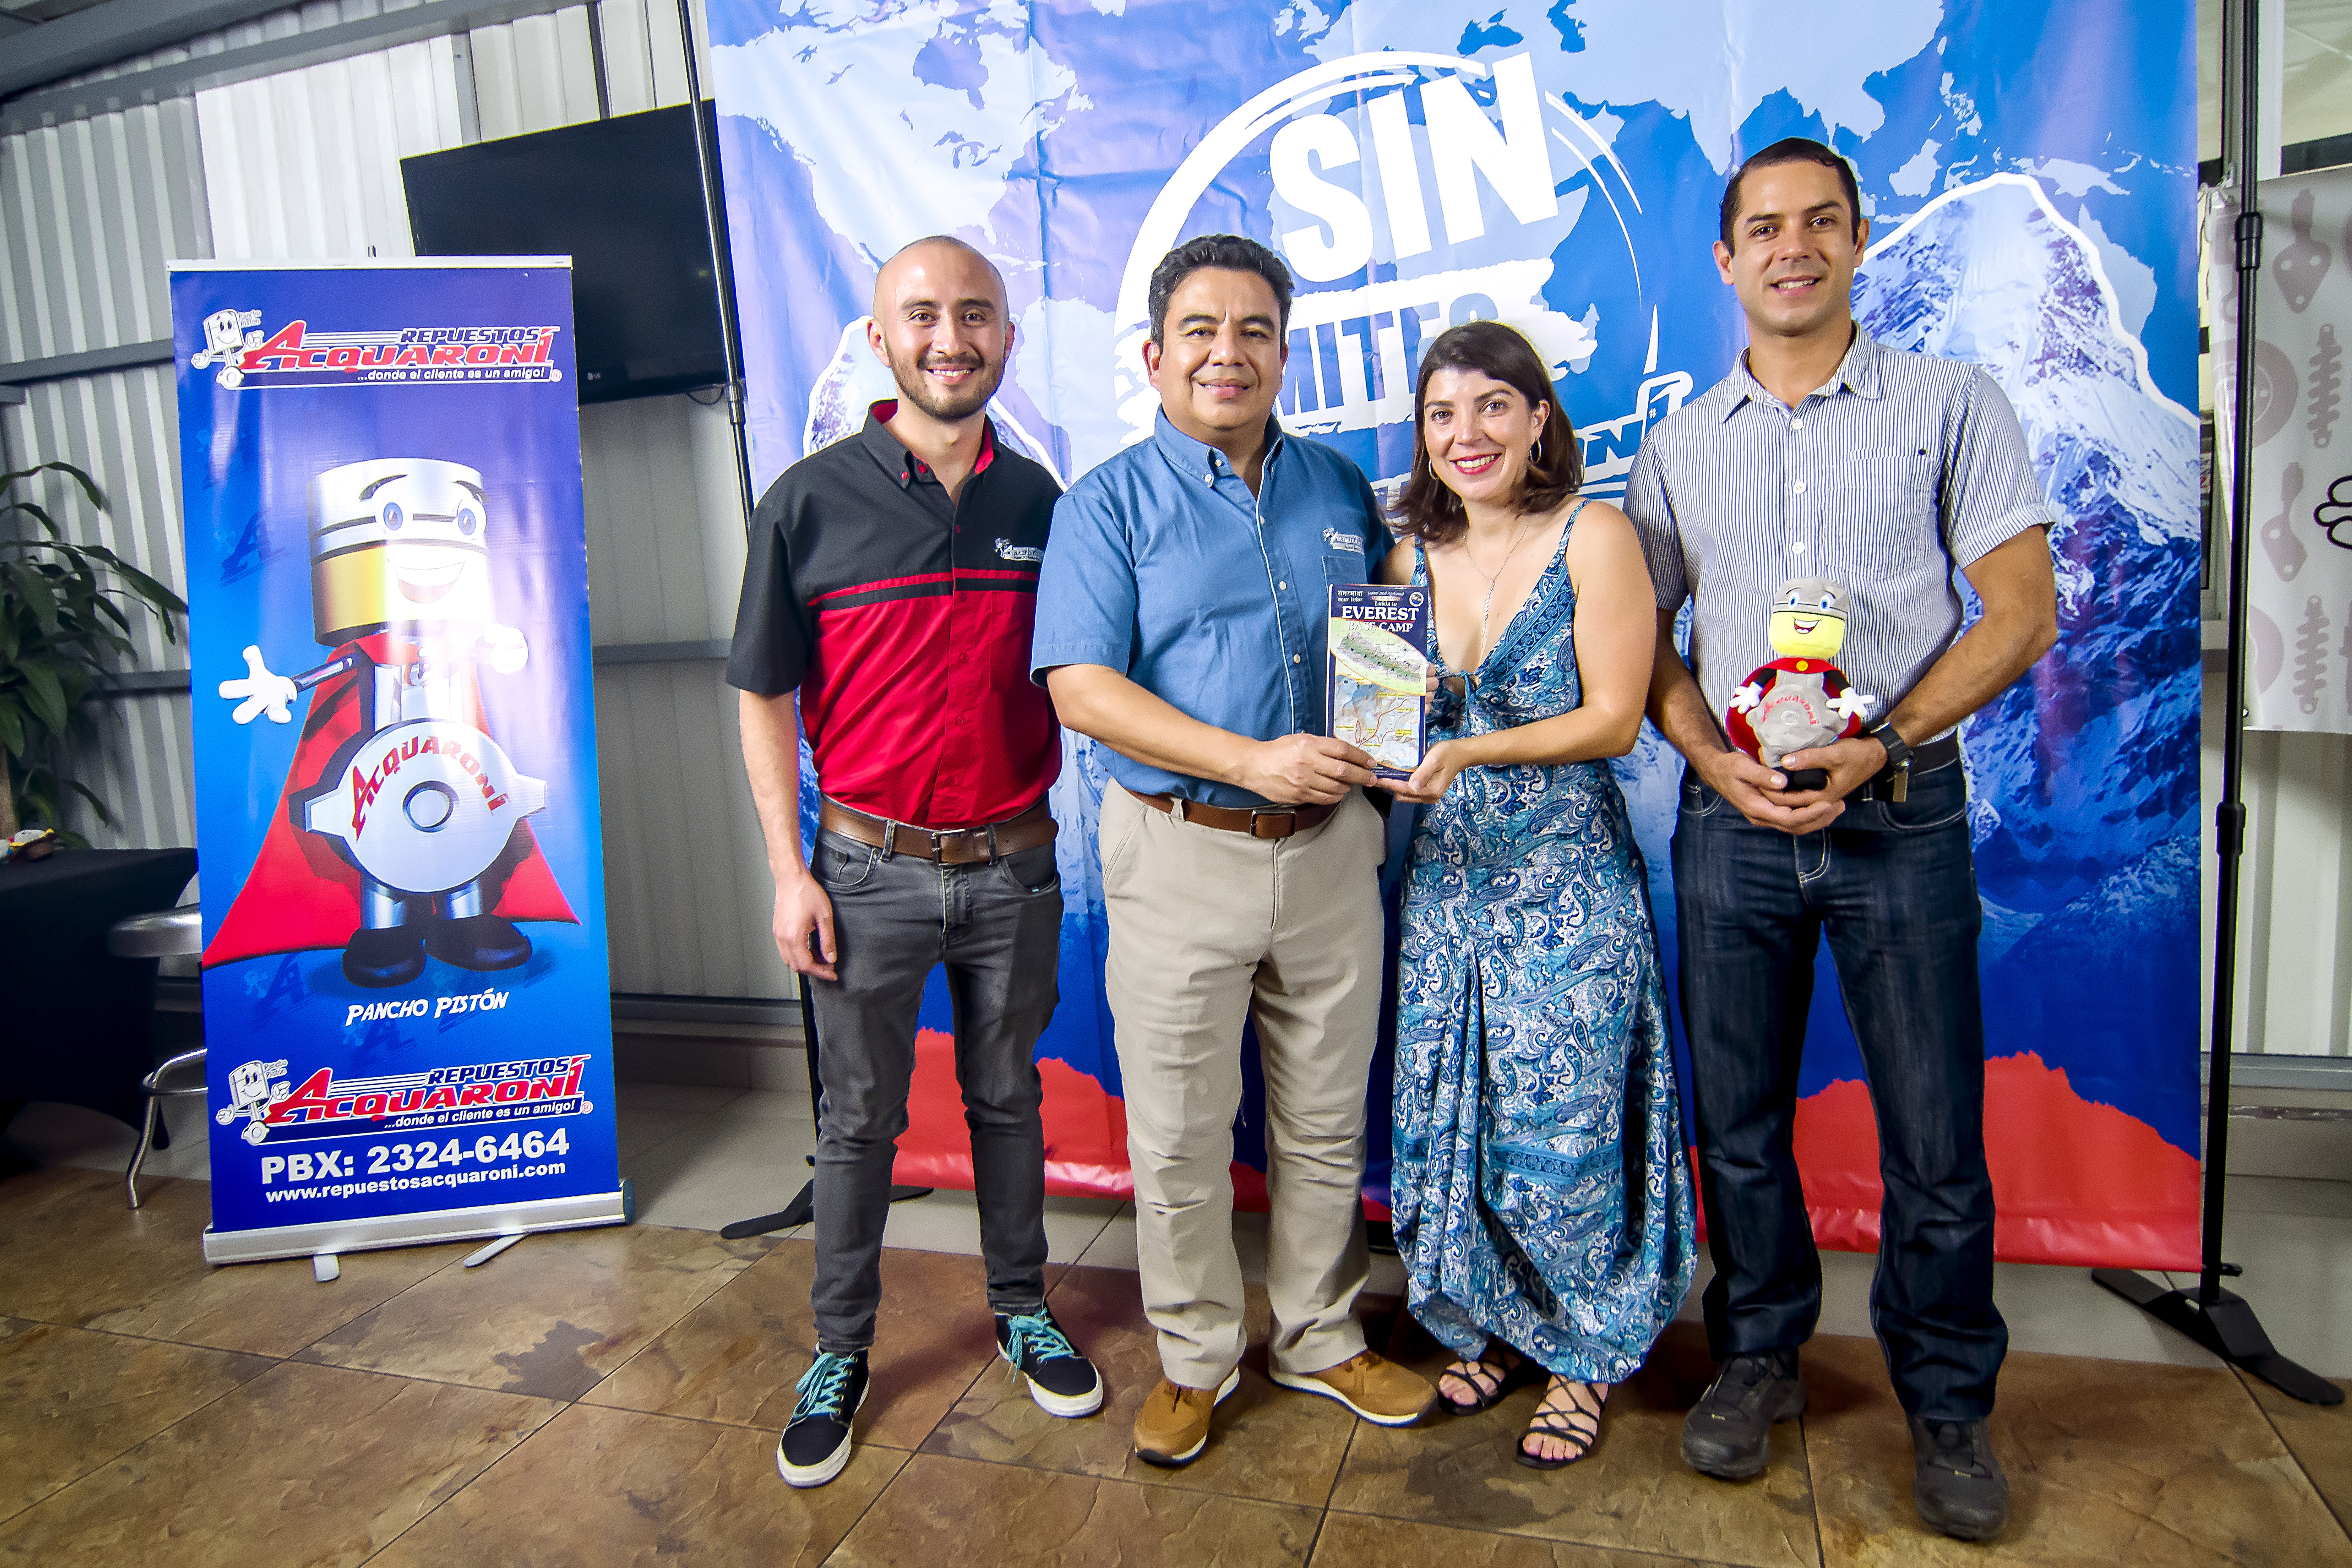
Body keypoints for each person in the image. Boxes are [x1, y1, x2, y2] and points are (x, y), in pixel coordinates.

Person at [1625, 138, 2058, 1542]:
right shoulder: (1681, 447)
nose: (1792, 248)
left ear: (1860, 241)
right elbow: (1645, 651)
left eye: (1821, 223)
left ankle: (1947, 1405)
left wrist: (1889, 745)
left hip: (1900, 815)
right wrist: (1713, 766)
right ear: (1727, 260)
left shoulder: (1951, 405)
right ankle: (1759, 1358)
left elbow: (2018, 610)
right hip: (1732, 825)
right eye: (1764, 228)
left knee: (1935, 1133)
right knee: (1738, 1124)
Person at [1032, 233, 1437, 1467]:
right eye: (1201, 331)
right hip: (1177, 850)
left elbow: (1381, 650)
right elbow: (1081, 689)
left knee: (1324, 1118)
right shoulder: (1106, 504)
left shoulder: (1335, 490)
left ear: (1281, 352)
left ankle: (1317, 1335)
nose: (1228, 352)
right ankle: (1198, 1357)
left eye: (1255, 331)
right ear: (1155, 357)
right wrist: (1248, 760)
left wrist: (1383, 733)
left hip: (1329, 855)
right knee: (1180, 1133)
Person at [728, 236, 1102, 1491]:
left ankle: (1019, 1307)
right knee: (860, 1127)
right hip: (864, 873)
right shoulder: (808, 500)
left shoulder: (1043, 504)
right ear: (881, 337)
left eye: (977, 315)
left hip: (1014, 868)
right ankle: (839, 1353)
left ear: (1006, 335)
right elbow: (763, 696)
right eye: (925, 316)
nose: (953, 338)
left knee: (1008, 1101)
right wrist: (790, 870)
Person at [1379, 320, 1697, 1470]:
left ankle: (1586, 1356)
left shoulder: (1596, 533)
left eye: (1492, 407)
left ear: (1539, 418)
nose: (1468, 434)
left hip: (1567, 882)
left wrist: (1464, 754)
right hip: (1450, 884)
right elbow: (1392, 715)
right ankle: (1504, 1326)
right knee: (1465, 1113)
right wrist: (1375, 748)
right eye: (1442, 414)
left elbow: (1615, 716)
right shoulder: (1410, 553)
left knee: (1565, 1126)